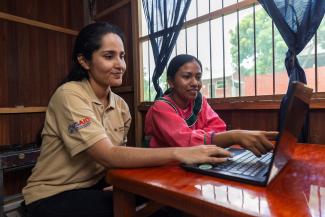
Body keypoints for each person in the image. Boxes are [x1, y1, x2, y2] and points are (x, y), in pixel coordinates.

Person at [22, 22, 234, 217]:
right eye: (109, 56)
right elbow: (108, 155)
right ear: (84, 61)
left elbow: (117, 161)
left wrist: (122, 184)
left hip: (96, 185)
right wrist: (183, 153)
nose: (120, 64)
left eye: (122, 56)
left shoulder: (121, 107)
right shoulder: (69, 94)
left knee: (169, 201)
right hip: (53, 195)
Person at [145, 54, 278, 157]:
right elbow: (186, 143)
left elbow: (220, 127)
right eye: (187, 77)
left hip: (195, 161)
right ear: (171, 82)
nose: (195, 83)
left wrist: (196, 136)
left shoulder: (199, 101)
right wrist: (234, 136)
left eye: (198, 77)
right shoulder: (161, 107)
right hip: (164, 168)